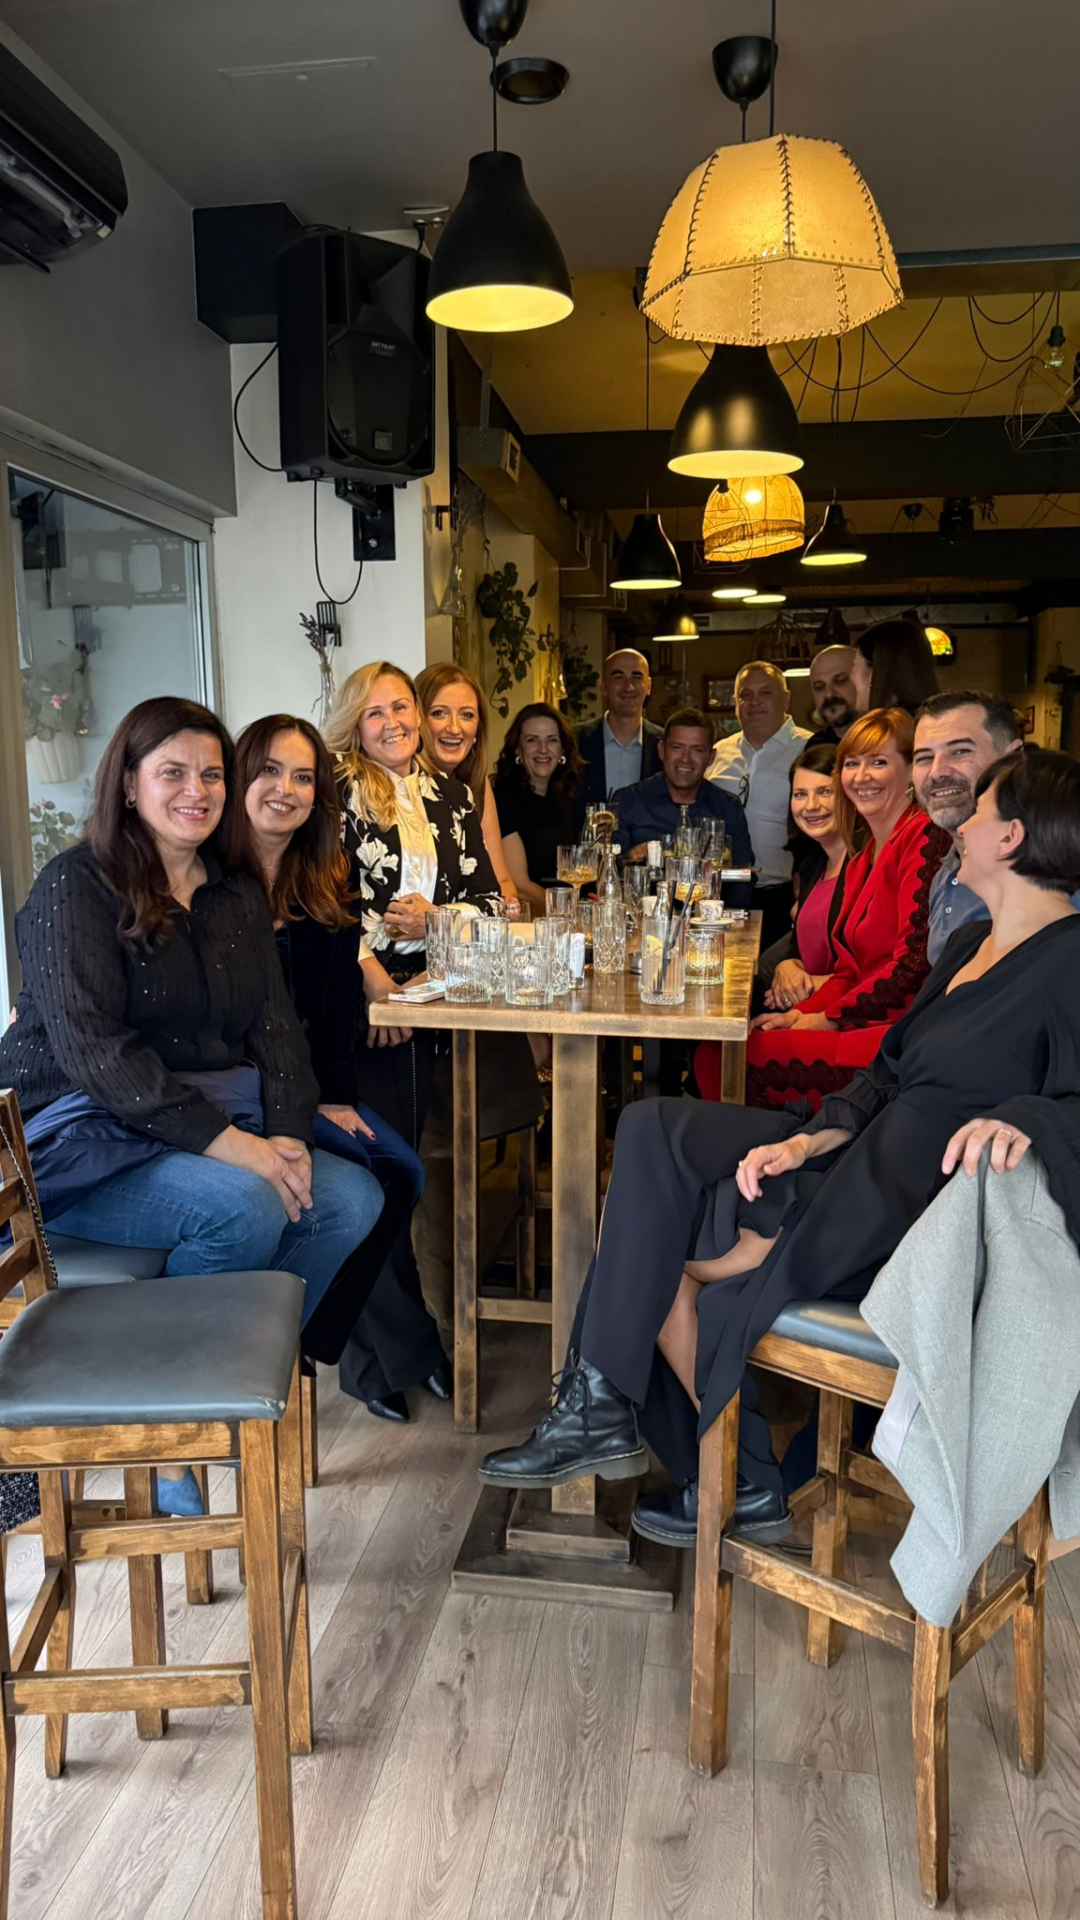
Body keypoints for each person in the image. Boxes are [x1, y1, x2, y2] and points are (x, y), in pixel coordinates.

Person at [479, 748, 1080, 1549]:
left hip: (908, 1205)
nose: (960, 827)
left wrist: (1027, 1120)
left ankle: (729, 1471)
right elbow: (885, 1074)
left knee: (666, 1249)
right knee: (651, 1128)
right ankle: (607, 1407)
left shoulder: (1069, 961)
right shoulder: (973, 942)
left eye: (978, 813)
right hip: (860, 1150)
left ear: (1013, 837)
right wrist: (805, 1140)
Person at [0, 696, 385, 1514]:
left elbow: (277, 1031)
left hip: (185, 1124)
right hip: (71, 1135)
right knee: (243, 1208)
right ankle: (174, 1432)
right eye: (173, 772)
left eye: (211, 774)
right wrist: (240, 1150)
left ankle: (224, 1386)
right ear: (129, 783)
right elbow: (97, 1057)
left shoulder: (232, 891)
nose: (197, 791)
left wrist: (289, 1137)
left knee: (351, 1198)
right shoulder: (76, 886)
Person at [236, 713, 435, 1390]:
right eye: (269, 771)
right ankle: (294, 1347)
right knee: (381, 1177)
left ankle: (305, 1339)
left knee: (403, 1171)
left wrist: (337, 1095)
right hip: (241, 1091)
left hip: (306, 1082)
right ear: (240, 777)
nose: (285, 789)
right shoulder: (208, 877)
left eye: (302, 777)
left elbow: (334, 1007)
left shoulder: (320, 870)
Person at [324, 661, 501, 1415]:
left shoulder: (450, 794)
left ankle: (383, 1359)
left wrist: (438, 923)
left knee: (400, 1180)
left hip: (428, 1000)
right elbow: (323, 899)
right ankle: (400, 1354)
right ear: (353, 725)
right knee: (374, 1180)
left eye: (402, 707)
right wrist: (375, 984)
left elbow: (490, 903)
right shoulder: (336, 791)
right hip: (354, 1001)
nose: (393, 722)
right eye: (375, 712)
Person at [698, 708, 949, 1107]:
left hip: (898, 1038)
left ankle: (798, 1145)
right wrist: (800, 1015)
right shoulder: (867, 854)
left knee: (729, 1060)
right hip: (858, 1019)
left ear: (912, 770)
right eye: (852, 764)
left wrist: (823, 1019)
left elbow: (914, 966)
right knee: (719, 1051)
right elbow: (850, 970)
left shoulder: (924, 836)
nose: (861, 777)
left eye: (878, 762)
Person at [911, 690, 1080, 960]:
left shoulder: (1056, 874)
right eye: (924, 757)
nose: (937, 771)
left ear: (1013, 757)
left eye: (960, 751)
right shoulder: (946, 872)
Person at [706, 661, 811, 946]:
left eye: (765, 693)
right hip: (721, 895)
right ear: (735, 703)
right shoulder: (716, 753)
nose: (754, 702)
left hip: (785, 896)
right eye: (745, 695)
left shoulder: (808, 749)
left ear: (785, 699)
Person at [614, 709, 754, 907]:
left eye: (697, 750)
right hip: (643, 919)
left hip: (710, 920)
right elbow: (609, 871)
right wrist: (631, 857)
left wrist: (728, 919)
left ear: (711, 757)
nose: (685, 759)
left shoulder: (728, 807)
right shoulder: (629, 801)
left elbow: (744, 879)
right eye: (677, 747)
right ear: (661, 750)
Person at [416, 663, 519, 909]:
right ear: (417, 720)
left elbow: (502, 881)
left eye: (467, 715)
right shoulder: (405, 784)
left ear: (478, 729)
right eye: (439, 713)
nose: (454, 728)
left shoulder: (475, 785)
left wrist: (505, 904)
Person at [758, 743, 848, 1008]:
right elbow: (797, 947)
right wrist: (787, 964)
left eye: (824, 792)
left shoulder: (868, 862)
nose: (811, 805)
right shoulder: (813, 865)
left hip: (844, 1011)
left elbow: (870, 972)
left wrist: (804, 987)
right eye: (800, 794)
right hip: (808, 1005)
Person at [491, 702, 587, 915]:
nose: (543, 749)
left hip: (564, 916)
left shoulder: (571, 796)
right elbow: (520, 886)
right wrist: (570, 912)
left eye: (552, 740)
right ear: (518, 749)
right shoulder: (502, 799)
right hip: (527, 921)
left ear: (562, 750)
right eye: (532, 740)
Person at [577, 649, 662, 803]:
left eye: (636, 677)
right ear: (603, 685)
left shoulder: (665, 745)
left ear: (649, 686)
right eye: (618, 677)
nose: (628, 687)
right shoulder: (575, 741)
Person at [850, 617, 939, 717]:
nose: (851, 676)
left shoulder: (893, 724)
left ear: (874, 674)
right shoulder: (934, 719)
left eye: (854, 665)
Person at [805, 644, 863, 746]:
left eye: (840, 680)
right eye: (819, 687)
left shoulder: (890, 741)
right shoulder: (815, 746)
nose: (829, 694)